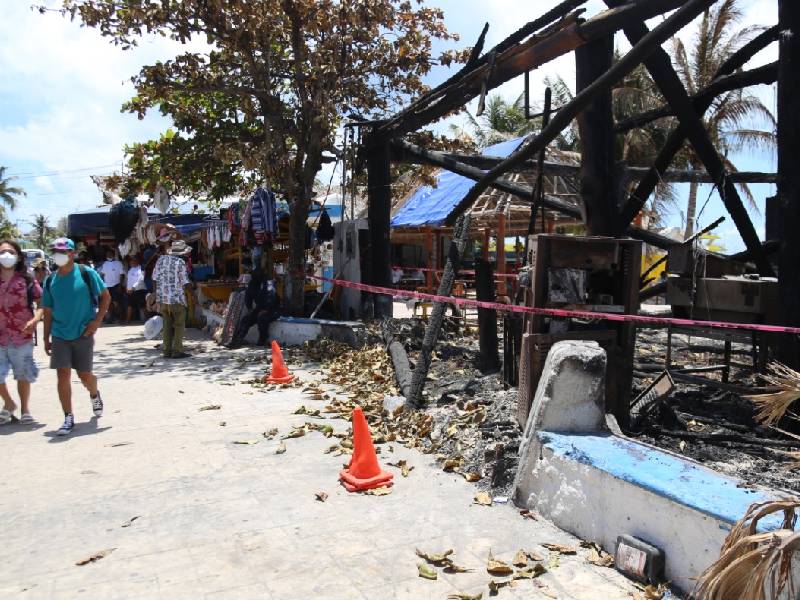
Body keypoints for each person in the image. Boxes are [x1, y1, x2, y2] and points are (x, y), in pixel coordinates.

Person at [41, 238, 111, 436]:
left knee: (84, 375)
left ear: (72, 253)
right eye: (56, 251)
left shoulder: (86, 273)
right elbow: (47, 311)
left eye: (63, 251)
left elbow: (105, 296)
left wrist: (96, 321)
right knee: (63, 374)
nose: (59, 255)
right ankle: (68, 416)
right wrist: (45, 338)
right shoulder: (50, 280)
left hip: (83, 332)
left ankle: (94, 394)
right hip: (59, 334)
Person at [0, 240, 43, 425]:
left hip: (22, 334)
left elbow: (42, 301)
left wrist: (35, 319)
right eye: (2, 252)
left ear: (18, 256)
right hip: (0, 335)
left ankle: (25, 409)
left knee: (23, 373)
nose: (6, 255)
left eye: (11, 252)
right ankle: (9, 403)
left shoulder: (26, 279)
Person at [152, 239, 192, 359]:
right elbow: (185, 282)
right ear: (181, 253)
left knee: (167, 325)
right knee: (179, 325)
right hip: (176, 299)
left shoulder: (160, 260)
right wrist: (193, 295)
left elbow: (154, 279)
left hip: (163, 299)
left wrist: (157, 294)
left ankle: (166, 350)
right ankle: (177, 351)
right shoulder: (180, 262)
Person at [233, 269, 280, 346]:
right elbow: (248, 297)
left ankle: (262, 339)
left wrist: (266, 309)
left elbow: (271, 296)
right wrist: (250, 308)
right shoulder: (253, 283)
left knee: (262, 318)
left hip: (273, 309)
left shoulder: (268, 282)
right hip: (260, 307)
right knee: (246, 319)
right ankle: (238, 339)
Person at [100, 249, 126, 323]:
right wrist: (102, 285)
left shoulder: (118, 263)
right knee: (109, 303)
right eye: (107, 254)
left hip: (116, 285)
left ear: (113, 254)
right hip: (107, 286)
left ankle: (120, 318)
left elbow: (122, 274)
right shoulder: (105, 264)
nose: (108, 255)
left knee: (117, 302)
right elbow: (102, 275)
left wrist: (120, 285)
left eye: (110, 254)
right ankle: (111, 318)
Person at [125, 255, 148, 322]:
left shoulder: (141, 269)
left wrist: (133, 288)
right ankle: (127, 320)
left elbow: (140, 280)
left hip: (139, 290)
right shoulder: (130, 270)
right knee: (129, 305)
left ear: (137, 261)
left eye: (133, 260)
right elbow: (128, 280)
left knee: (142, 306)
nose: (131, 262)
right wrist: (127, 288)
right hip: (130, 291)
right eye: (130, 261)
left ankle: (148, 319)